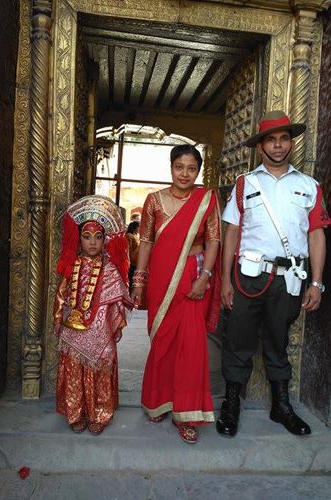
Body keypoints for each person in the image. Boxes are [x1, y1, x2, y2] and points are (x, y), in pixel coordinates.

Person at [218, 111, 331, 438]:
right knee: (238, 340)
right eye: (271, 139)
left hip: (290, 278)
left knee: (278, 341)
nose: (278, 145)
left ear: (290, 143)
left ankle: (281, 407)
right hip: (248, 276)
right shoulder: (245, 184)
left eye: (284, 139)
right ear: (261, 146)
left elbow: (317, 234)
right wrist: (225, 279)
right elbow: (232, 233)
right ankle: (231, 406)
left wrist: (317, 282)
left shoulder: (309, 186)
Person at [131, 144, 222, 444]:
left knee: (192, 346)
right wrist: (139, 281)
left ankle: (187, 412)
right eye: (179, 167)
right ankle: (158, 401)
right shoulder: (154, 201)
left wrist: (205, 278)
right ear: (171, 168)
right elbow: (145, 243)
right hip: (161, 278)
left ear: (199, 171)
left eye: (191, 168)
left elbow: (213, 242)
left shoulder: (206, 199)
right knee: (163, 341)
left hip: (194, 277)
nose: (185, 173)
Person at [53, 195, 133, 435]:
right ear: (78, 238)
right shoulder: (72, 263)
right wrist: (58, 318)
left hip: (100, 328)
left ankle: (99, 413)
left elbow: (119, 296)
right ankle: (75, 413)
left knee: (100, 364)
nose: (92, 243)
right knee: (74, 367)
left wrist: (113, 315)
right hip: (73, 327)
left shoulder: (109, 267)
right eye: (87, 237)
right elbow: (61, 292)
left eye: (98, 237)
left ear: (105, 240)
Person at [126, 220, 140, 291]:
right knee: (130, 280)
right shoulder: (129, 236)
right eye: (139, 228)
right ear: (137, 227)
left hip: (135, 262)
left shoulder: (135, 236)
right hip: (131, 262)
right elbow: (127, 249)